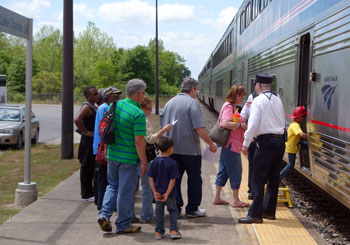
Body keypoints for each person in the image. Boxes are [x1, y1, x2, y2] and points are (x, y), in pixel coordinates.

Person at [160, 77, 217, 218]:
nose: (197, 92)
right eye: (196, 90)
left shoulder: (169, 103)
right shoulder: (192, 103)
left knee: (175, 179)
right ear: (193, 89)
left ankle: (176, 209)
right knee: (194, 179)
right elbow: (199, 128)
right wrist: (211, 144)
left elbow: (162, 127)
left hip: (171, 150)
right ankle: (192, 209)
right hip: (190, 151)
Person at [97, 79, 148, 234]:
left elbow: (107, 129)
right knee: (125, 192)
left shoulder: (115, 106)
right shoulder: (138, 113)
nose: (144, 95)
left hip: (113, 155)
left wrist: (106, 150)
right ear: (139, 94)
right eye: (143, 92)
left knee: (112, 186)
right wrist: (144, 162)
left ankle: (104, 214)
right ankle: (124, 224)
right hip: (129, 159)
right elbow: (139, 141)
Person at [239, 73, 286, 224]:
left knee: (258, 178)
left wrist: (245, 144)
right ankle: (269, 212)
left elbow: (252, 124)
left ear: (258, 86)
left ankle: (255, 214)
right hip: (279, 142)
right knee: (273, 178)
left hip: (265, 143)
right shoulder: (278, 99)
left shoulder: (258, 100)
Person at [212, 85, 249, 208]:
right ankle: (236, 200)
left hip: (227, 144)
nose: (242, 99)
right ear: (237, 95)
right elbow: (225, 123)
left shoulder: (230, 106)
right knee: (236, 170)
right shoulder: (229, 107)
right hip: (230, 144)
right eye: (242, 96)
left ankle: (217, 197)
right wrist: (241, 126)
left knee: (223, 170)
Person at [139, 97, 173, 223]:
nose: (150, 111)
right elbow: (149, 139)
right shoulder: (141, 119)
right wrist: (163, 131)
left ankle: (134, 214)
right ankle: (147, 214)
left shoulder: (141, 117)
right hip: (144, 156)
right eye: (148, 109)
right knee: (147, 187)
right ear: (141, 108)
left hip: (136, 155)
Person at [93, 86, 122, 210]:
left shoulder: (103, 108)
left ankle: (100, 201)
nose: (118, 97)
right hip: (103, 148)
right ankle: (102, 203)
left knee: (102, 177)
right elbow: (104, 131)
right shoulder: (106, 108)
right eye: (115, 95)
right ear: (108, 97)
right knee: (104, 178)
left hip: (101, 147)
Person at [148, 136, 181, 240]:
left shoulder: (154, 162)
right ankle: (174, 230)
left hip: (157, 193)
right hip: (169, 194)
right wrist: (167, 193)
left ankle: (158, 232)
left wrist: (154, 192)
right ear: (170, 148)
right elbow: (173, 180)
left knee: (159, 212)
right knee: (173, 210)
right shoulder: (172, 163)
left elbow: (150, 178)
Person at [74, 86, 98, 202]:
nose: (96, 95)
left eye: (97, 93)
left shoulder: (94, 107)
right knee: (86, 166)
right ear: (88, 96)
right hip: (87, 141)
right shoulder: (86, 107)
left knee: (92, 166)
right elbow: (77, 119)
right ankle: (86, 194)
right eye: (94, 94)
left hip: (93, 141)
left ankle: (91, 190)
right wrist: (87, 132)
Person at [240, 79, 260, 200]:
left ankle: (258, 189)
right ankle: (252, 189)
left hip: (262, 137)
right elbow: (244, 114)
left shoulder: (274, 97)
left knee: (258, 164)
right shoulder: (252, 97)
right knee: (253, 163)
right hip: (254, 138)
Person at [280, 106, 308, 181]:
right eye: (303, 117)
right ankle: (279, 177)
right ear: (298, 117)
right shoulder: (295, 125)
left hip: (294, 145)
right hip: (292, 148)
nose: (303, 119)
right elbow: (301, 134)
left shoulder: (293, 124)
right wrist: (310, 138)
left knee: (305, 145)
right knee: (290, 165)